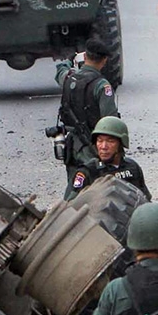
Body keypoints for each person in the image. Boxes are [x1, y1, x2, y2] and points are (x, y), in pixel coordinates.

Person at [55, 38, 120, 199]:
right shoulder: (101, 86)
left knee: (74, 184)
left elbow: (60, 71)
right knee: (98, 190)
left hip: (72, 145)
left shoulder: (69, 78)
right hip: (93, 146)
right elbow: (110, 122)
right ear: (104, 60)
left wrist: (70, 61)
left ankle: (66, 214)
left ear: (85, 57)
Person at [69, 116, 151, 200]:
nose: (103, 146)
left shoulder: (133, 167)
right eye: (100, 141)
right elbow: (71, 207)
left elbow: (146, 201)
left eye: (110, 141)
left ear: (121, 144)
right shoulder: (87, 172)